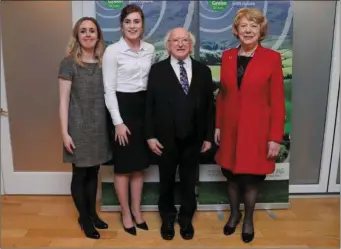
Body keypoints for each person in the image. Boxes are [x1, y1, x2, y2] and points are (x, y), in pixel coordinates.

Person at [215, 8, 286, 243]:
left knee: (253, 178)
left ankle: (248, 220)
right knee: (232, 176)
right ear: (236, 30)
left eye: (253, 26)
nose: (248, 30)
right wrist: (217, 126)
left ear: (261, 31)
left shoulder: (272, 58)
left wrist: (275, 137)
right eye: (243, 26)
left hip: (258, 131)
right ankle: (234, 215)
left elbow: (277, 101)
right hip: (230, 130)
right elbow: (222, 96)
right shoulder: (226, 57)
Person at [145, 27, 214, 240]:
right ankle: (167, 218)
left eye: (185, 40)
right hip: (164, 139)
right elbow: (149, 105)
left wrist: (208, 136)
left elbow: (210, 107)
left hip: (194, 138)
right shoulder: (157, 70)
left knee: (188, 180)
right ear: (168, 45)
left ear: (191, 45)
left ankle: (186, 219)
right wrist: (150, 135)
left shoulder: (203, 71)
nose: (181, 44)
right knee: (166, 180)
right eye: (176, 40)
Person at [102, 4, 155, 236]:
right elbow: (109, 90)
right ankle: (125, 213)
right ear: (121, 26)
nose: (132, 26)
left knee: (139, 167)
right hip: (121, 111)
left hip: (144, 110)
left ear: (142, 24)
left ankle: (137, 210)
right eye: (128, 22)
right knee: (124, 168)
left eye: (136, 21)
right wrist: (118, 122)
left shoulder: (150, 49)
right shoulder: (112, 51)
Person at [58, 17, 113, 239]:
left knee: (94, 171)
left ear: (98, 35)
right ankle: (84, 218)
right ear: (77, 36)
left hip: (100, 126)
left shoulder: (104, 62)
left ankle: (92, 213)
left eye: (92, 30)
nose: (88, 34)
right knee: (80, 173)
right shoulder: (68, 63)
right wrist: (64, 133)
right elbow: (63, 101)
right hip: (77, 128)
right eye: (83, 31)